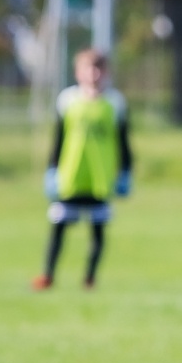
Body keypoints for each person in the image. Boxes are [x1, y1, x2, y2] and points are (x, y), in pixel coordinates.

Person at [32, 49, 132, 291]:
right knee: (58, 226)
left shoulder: (115, 103)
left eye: (99, 68)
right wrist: (52, 169)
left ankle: (90, 278)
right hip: (71, 176)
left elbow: (123, 140)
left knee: (97, 230)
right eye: (89, 68)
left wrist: (126, 170)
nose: (94, 74)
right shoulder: (67, 100)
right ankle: (47, 275)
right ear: (78, 72)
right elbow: (59, 137)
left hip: (100, 177)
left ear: (106, 72)